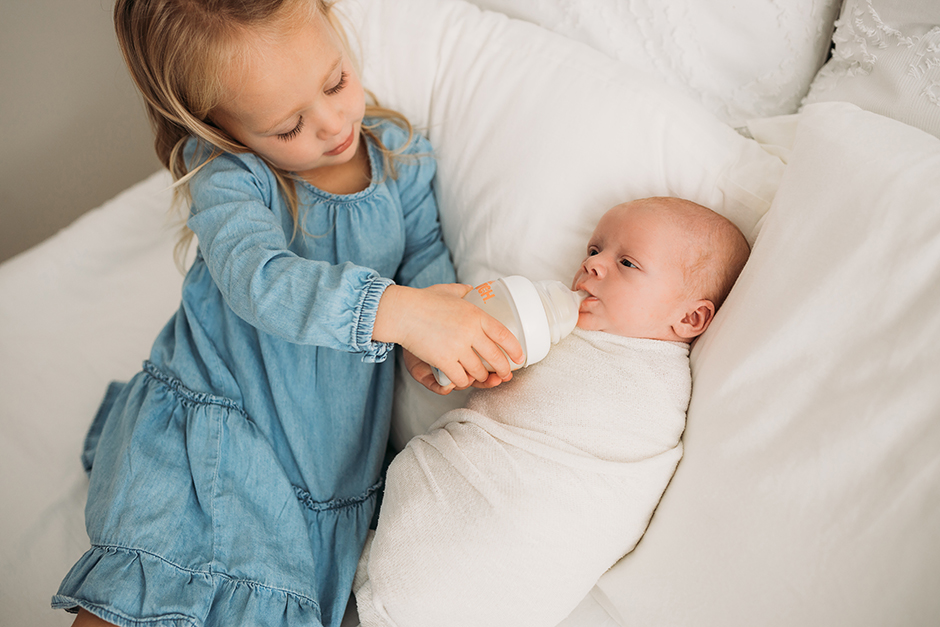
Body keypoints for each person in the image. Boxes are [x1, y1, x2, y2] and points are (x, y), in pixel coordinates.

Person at [51, 1, 524, 626]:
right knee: (138, 595)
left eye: (336, 83)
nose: (331, 125)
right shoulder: (229, 174)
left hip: (319, 467)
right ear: (219, 125)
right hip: (211, 429)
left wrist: (436, 347)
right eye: (287, 127)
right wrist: (399, 313)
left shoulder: (402, 162)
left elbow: (427, 270)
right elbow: (259, 280)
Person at [354, 197, 751, 627]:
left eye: (628, 264)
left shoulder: (655, 388)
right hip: (453, 513)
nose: (593, 266)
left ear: (691, 318)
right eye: (594, 250)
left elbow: (594, 499)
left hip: (523, 547)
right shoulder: (551, 329)